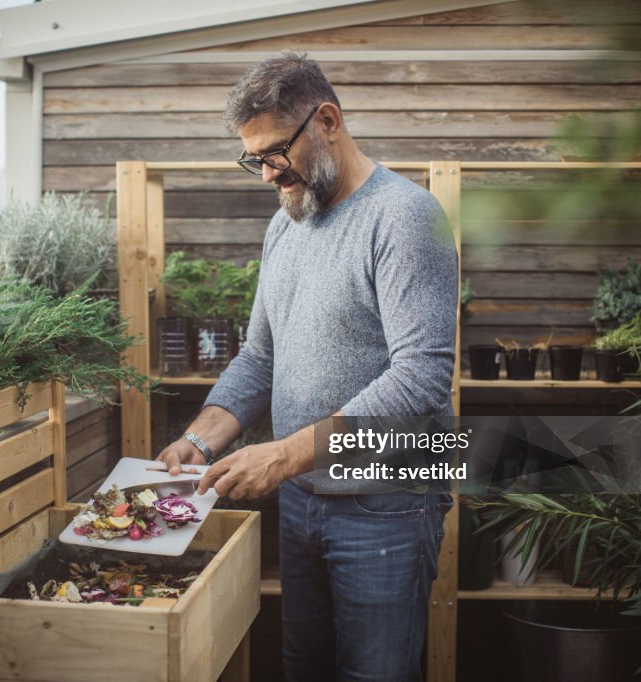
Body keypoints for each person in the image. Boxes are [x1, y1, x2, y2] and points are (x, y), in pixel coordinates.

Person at [157, 51, 457, 682]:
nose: (266, 174)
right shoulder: (285, 224)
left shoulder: (404, 217)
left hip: (387, 501)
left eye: (274, 153)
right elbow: (262, 353)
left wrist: (285, 454)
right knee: (304, 668)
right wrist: (198, 440)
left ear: (327, 121)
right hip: (302, 500)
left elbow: (422, 376)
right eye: (254, 159)